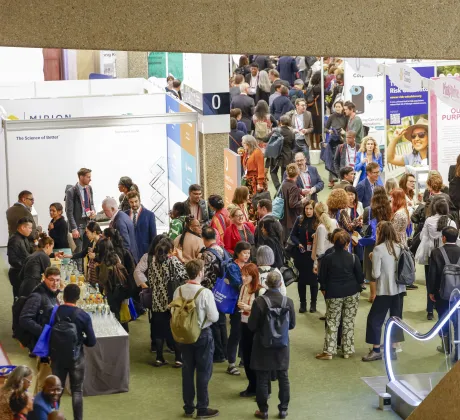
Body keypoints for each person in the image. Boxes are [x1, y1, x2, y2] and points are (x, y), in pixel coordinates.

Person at [172, 259, 219, 419]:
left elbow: (174, 313)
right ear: (200, 273)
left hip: (183, 335)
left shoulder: (178, 290)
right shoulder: (205, 292)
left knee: (187, 370)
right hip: (202, 334)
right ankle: (202, 407)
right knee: (203, 371)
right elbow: (214, 316)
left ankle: (188, 407)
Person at [248, 270, 296, 419]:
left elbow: (252, 326)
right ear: (280, 283)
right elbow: (292, 325)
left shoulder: (259, 302)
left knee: (262, 378)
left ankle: (263, 410)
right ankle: (283, 409)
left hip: (263, 345)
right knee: (283, 377)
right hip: (282, 346)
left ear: (266, 284)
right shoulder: (288, 302)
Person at [50, 284, 96, 420]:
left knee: (56, 390)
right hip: (76, 357)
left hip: (57, 356)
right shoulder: (83, 316)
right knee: (77, 391)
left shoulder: (55, 312)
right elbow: (92, 341)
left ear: (63, 297)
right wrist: (81, 340)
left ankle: (53, 416)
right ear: (78, 298)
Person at [316, 230, 364, 360]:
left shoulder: (327, 258)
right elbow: (360, 278)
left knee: (332, 321)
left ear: (333, 241)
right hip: (352, 292)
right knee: (348, 321)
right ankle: (347, 350)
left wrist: (325, 290)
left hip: (334, 293)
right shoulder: (353, 258)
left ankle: (329, 351)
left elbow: (322, 277)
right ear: (347, 243)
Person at [362, 221, 406, 362]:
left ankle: (376, 350)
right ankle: (393, 349)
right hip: (399, 289)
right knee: (396, 318)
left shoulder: (378, 250)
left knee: (375, 319)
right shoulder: (400, 246)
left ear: (380, 233)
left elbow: (375, 274)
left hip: (384, 290)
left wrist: (371, 258)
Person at [19, 267, 60, 392]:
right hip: (42, 345)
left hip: (48, 344)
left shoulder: (51, 294)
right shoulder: (37, 296)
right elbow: (25, 319)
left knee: (45, 381)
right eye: (51, 280)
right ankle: (41, 409)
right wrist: (44, 332)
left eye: (57, 280)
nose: (54, 283)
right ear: (44, 278)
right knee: (45, 382)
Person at [147, 238, 187, 366]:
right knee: (175, 329)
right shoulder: (173, 261)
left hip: (157, 301)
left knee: (159, 331)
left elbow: (150, 281)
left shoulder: (153, 263)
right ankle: (178, 358)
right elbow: (185, 275)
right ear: (170, 250)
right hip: (172, 301)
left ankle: (159, 357)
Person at [416, 199, 457, 316]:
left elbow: (422, 236)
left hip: (431, 254)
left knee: (431, 281)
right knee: (445, 280)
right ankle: (444, 306)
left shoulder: (429, 220)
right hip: (447, 257)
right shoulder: (451, 222)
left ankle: (430, 310)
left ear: (434, 208)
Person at [428, 226, 460, 355]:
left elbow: (432, 274)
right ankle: (458, 348)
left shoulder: (436, 252)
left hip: (441, 292)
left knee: (443, 317)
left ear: (444, 238)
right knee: (458, 320)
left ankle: (446, 347)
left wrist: (431, 291)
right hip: (458, 293)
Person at [200, 226, 227, 362]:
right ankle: (225, 350)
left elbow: (204, 276)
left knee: (213, 322)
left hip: (211, 290)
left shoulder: (207, 255)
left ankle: (218, 353)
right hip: (222, 290)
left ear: (203, 239)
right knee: (221, 321)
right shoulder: (221, 249)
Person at [238, 263, 264, 398]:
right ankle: (251, 385)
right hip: (244, 324)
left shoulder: (260, 291)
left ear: (253, 276)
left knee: (257, 359)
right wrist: (242, 306)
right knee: (246, 357)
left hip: (256, 327)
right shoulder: (243, 288)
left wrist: (248, 308)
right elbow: (240, 301)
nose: (243, 278)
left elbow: (262, 311)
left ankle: (260, 387)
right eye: (242, 275)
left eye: (246, 275)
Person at [226, 241, 252, 376]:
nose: (247, 256)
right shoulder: (232, 267)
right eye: (244, 253)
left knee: (246, 333)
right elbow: (238, 284)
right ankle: (231, 363)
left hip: (248, 303)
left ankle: (243, 358)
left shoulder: (248, 266)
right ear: (237, 253)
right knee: (236, 333)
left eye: (248, 253)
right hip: (237, 304)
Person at [362, 187, 392, 301]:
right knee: (384, 266)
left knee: (371, 268)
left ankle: (373, 295)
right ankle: (383, 292)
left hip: (371, 242)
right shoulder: (389, 209)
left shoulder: (368, 210)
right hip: (386, 241)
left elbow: (365, 226)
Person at [96, 239, 131, 330]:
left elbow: (102, 280)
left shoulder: (105, 262)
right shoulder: (116, 257)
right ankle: (125, 335)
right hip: (121, 289)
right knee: (122, 314)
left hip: (112, 292)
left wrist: (97, 268)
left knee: (114, 315)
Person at [290, 200, 318, 313]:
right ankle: (303, 303)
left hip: (313, 255)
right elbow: (292, 235)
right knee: (301, 281)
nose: (308, 211)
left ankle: (313, 304)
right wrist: (298, 243)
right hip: (301, 254)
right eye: (306, 208)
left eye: (311, 209)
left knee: (313, 282)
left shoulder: (317, 221)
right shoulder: (299, 219)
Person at [65, 168, 96, 268]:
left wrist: (93, 211)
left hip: (88, 224)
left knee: (88, 250)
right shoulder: (71, 191)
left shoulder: (89, 188)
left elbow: (91, 203)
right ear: (81, 177)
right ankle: (79, 275)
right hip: (78, 226)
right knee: (78, 252)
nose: (90, 179)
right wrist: (74, 228)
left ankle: (87, 274)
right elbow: (69, 212)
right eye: (88, 177)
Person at [102, 197, 139, 262]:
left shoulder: (119, 221)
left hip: (127, 260)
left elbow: (125, 244)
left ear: (112, 209)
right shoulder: (122, 215)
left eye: (105, 211)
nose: (105, 214)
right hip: (132, 256)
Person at [18, 233, 54, 297]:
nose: (52, 251)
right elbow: (51, 277)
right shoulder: (44, 256)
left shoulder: (32, 255)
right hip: (33, 289)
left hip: (23, 287)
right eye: (52, 248)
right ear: (47, 246)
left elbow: (20, 276)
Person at [265, 115, 294, 191]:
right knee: (284, 174)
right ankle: (283, 190)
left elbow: (266, 139)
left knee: (273, 172)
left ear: (280, 122)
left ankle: (278, 188)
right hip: (287, 156)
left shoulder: (276, 130)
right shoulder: (292, 133)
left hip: (276, 155)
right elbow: (293, 146)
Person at [7, 217, 34, 298]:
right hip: (17, 275)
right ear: (23, 227)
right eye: (29, 228)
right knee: (19, 299)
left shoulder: (24, 237)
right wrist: (28, 266)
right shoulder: (14, 240)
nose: (31, 230)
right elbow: (12, 260)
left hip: (23, 273)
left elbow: (29, 252)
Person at [280, 163, 307, 242]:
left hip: (283, 217)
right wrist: (302, 201)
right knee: (290, 242)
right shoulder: (293, 186)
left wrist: (299, 193)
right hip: (291, 219)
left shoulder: (284, 183)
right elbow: (292, 204)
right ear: (297, 173)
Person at [242, 136, 267, 218]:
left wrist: (260, 183)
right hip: (249, 181)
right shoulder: (247, 152)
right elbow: (246, 165)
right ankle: (252, 220)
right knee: (250, 203)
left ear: (249, 143)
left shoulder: (257, 152)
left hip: (256, 182)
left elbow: (261, 169)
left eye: (244, 143)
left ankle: (259, 220)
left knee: (257, 203)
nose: (243, 144)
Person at [125, 190, 157, 257]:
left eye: (136, 201)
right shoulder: (125, 214)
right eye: (131, 202)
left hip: (145, 252)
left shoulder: (149, 215)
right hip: (129, 253)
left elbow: (153, 236)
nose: (134, 204)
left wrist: (153, 253)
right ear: (128, 202)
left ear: (140, 200)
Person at [325, 101, 347, 187]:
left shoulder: (346, 117)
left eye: (339, 106)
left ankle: (343, 179)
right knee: (332, 160)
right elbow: (325, 128)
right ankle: (332, 180)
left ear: (342, 107)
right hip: (333, 141)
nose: (337, 108)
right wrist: (329, 131)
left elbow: (347, 129)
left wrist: (343, 133)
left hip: (342, 140)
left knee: (341, 160)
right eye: (336, 107)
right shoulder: (331, 116)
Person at [306, 71, 324, 150]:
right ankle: (316, 145)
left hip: (310, 108)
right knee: (317, 128)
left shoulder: (311, 87)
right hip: (316, 109)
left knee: (312, 127)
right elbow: (326, 91)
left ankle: (312, 145)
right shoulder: (318, 87)